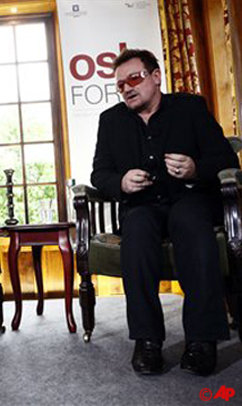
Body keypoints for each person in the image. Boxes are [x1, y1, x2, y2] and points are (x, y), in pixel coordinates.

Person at [91, 49, 239, 376]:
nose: (127, 87)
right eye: (120, 84)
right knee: (138, 231)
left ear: (156, 76)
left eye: (134, 78)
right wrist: (122, 182)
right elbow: (99, 175)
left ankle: (202, 340)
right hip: (142, 206)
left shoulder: (190, 108)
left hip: (190, 199)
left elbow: (228, 162)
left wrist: (196, 168)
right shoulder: (110, 121)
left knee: (191, 223)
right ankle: (147, 341)